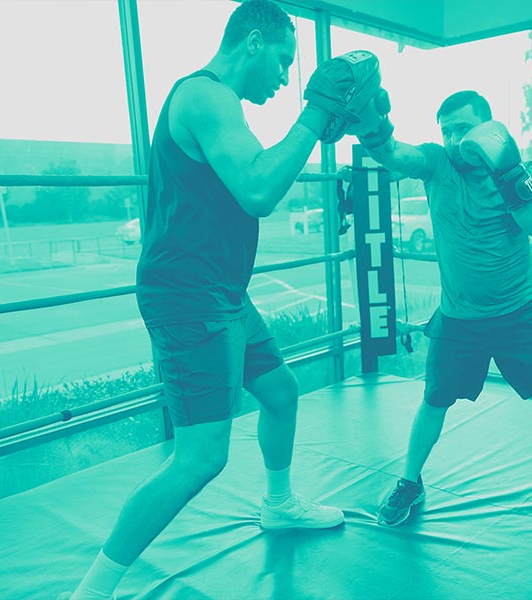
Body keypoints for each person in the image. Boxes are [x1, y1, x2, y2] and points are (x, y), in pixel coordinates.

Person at [61, 1, 382, 597]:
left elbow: (254, 174)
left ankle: (278, 505)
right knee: (201, 457)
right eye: (283, 61)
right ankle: (90, 590)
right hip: (189, 298)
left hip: (221, 293)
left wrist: (315, 122)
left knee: (281, 392)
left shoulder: (221, 106)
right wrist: (315, 115)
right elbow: (259, 188)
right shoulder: (208, 97)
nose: (287, 78)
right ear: (253, 43)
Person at [349, 89, 532, 527]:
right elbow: (394, 154)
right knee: (434, 399)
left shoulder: (521, 170)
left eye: (462, 129)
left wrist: (507, 174)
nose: (452, 139)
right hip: (459, 318)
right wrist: (372, 124)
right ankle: (411, 481)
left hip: (519, 311)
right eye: (445, 130)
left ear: (487, 126)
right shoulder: (437, 162)